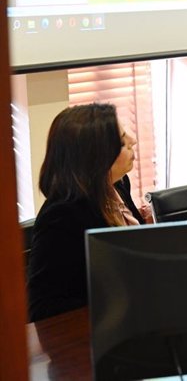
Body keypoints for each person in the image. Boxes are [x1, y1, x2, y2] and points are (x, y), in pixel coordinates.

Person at [27, 103, 147, 322]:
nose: (133, 140)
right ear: (97, 157)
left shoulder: (118, 185)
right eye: (121, 141)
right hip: (93, 332)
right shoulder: (61, 216)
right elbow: (44, 309)